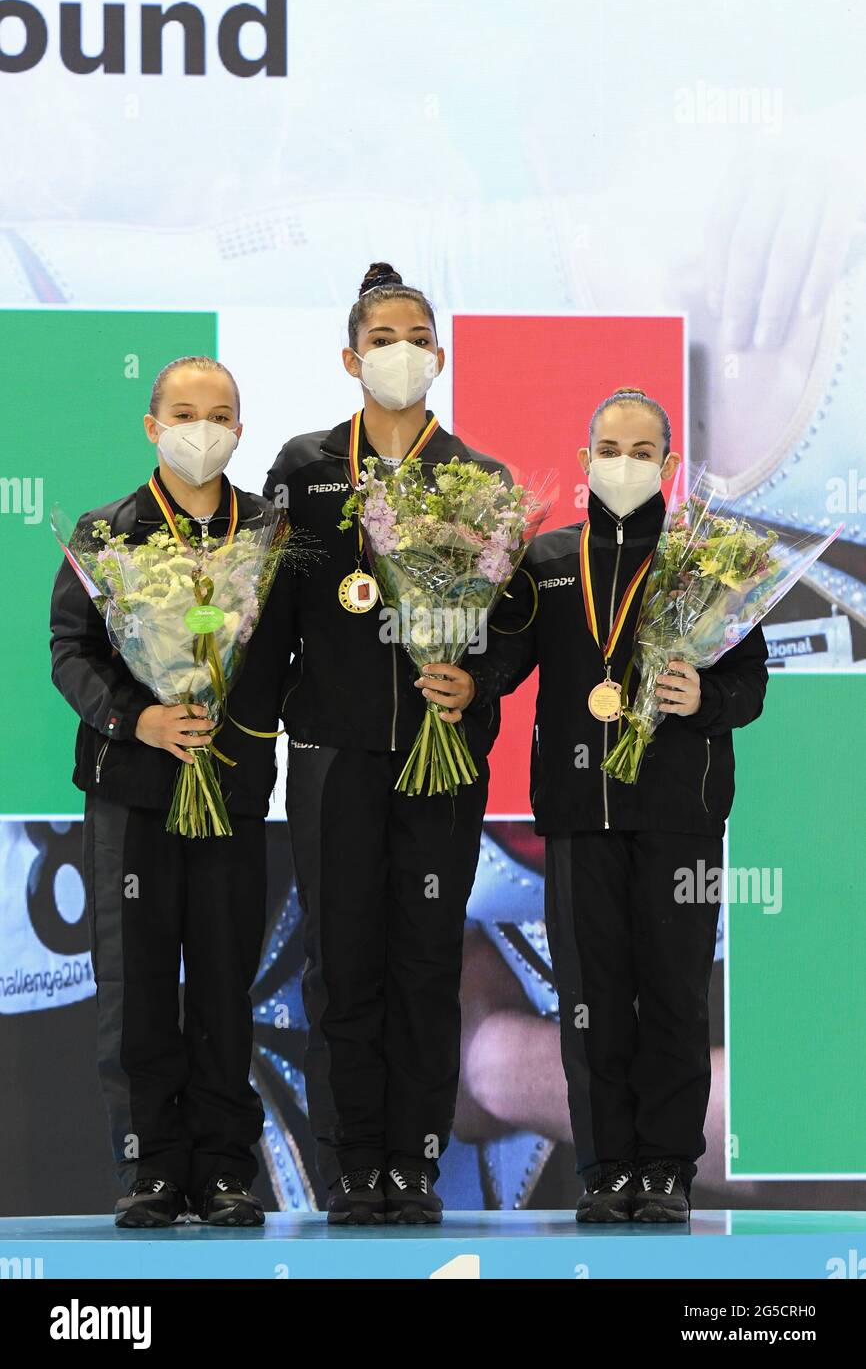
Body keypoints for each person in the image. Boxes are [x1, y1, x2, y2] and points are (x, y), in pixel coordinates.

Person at [460, 386, 769, 1223]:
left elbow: (750, 689)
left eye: (642, 452)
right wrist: (464, 675)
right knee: (591, 999)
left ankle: (665, 1170)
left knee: (671, 997)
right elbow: (504, 663)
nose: (623, 464)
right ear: (583, 459)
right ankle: (604, 1169)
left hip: (681, 812)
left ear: (668, 465)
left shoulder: (710, 565)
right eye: (610, 448)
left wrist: (701, 692)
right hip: (578, 811)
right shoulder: (548, 561)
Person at [263, 263, 506, 1224]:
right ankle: (348, 1166)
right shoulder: (306, 462)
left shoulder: (478, 480)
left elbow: (504, 628)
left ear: (439, 356)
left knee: (424, 961)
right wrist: (274, 709)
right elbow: (269, 601)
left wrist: (474, 685)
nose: (399, 353)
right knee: (339, 963)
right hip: (331, 754)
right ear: (350, 357)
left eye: (416, 338)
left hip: (436, 760)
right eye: (382, 339)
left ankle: (412, 1164)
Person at [50, 355, 292, 1228]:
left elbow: (294, 660)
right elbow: (69, 652)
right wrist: (135, 720)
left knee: (227, 987)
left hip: (230, 791)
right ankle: (148, 1166)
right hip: (133, 793)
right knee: (138, 987)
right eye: (185, 413)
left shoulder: (271, 533)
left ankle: (226, 1170)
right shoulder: (105, 531)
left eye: (220, 412)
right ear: (152, 427)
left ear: (240, 427)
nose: (203, 427)